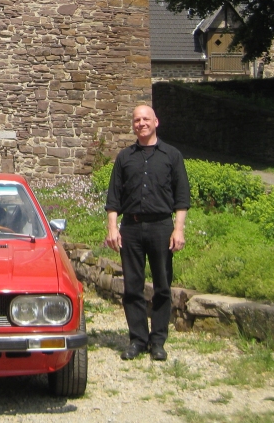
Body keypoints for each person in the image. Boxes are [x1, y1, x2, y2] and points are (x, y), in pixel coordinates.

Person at [105, 105, 190, 362]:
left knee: (162, 286)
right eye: (136, 120)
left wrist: (178, 229)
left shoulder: (172, 156)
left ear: (156, 122)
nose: (141, 123)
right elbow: (114, 197)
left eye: (145, 119)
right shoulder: (125, 157)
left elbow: (182, 197)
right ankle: (138, 340)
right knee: (132, 287)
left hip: (161, 227)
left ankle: (158, 341)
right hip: (131, 228)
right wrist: (112, 227)